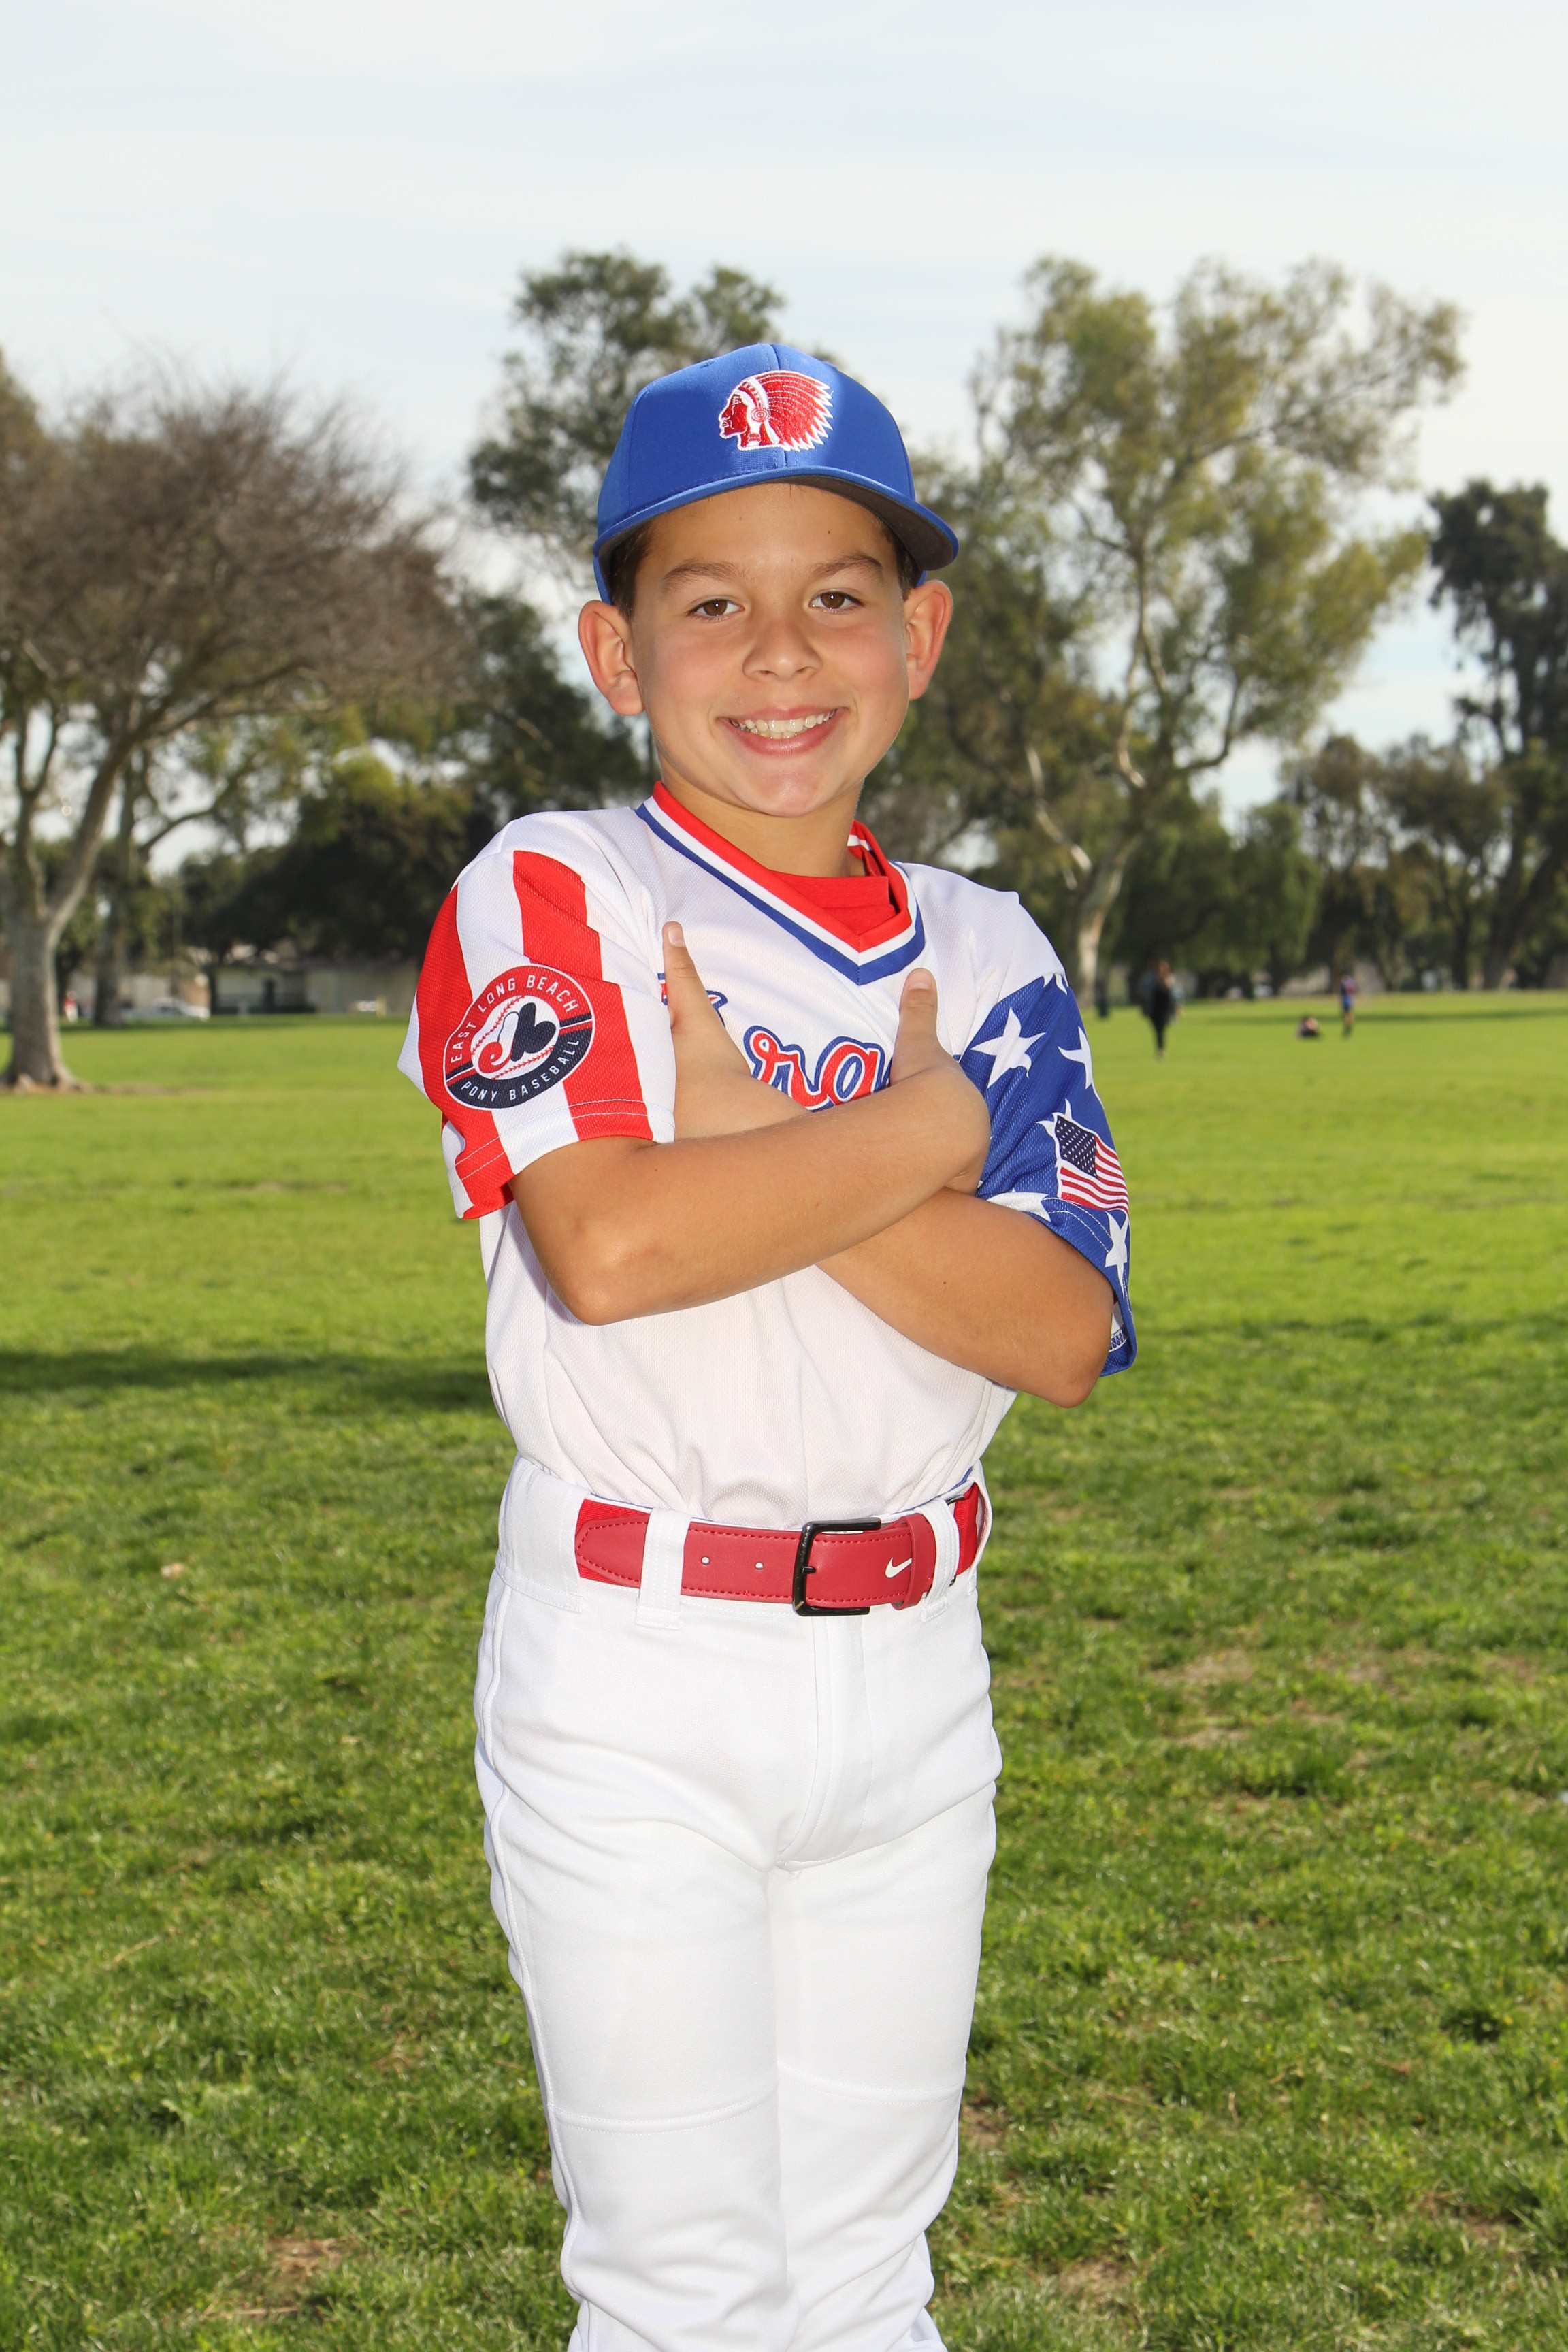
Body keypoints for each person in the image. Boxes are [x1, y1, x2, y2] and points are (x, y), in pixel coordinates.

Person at [401, 345, 1136, 2352]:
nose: (781, 652)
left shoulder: (986, 946)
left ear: (920, 637)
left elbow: (1060, 1330)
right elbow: (616, 1243)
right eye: (710, 600)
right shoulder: (561, 883)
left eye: (837, 594)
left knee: (871, 2284)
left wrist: (751, 1132)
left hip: (918, 1667)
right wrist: (930, 1125)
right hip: (638, 1667)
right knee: (685, 2296)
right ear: (616, 652)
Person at [1147, 960, 1178, 1057]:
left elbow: (1174, 995)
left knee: (1161, 1030)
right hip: (1155, 1009)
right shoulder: (1153, 980)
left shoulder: (1170, 979)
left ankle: (1161, 1050)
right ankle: (1160, 1049)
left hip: (1165, 1009)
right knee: (1157, 1031)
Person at [1339, 969, 1358, 1035]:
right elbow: (1353, 991)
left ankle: (1348, 1025)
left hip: (1346, 1000)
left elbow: (1345, 992)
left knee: (1346, 1014)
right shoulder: (1351, 982)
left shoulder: (1345, 982)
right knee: (1349, 1013)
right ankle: (1350, 1024)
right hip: (1350, 1000)